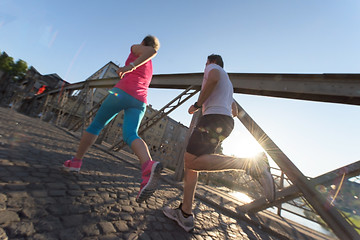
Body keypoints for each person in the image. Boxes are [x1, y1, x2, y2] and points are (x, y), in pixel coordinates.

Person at [163, 54, 275, 232]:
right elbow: (235, 111)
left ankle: (250, 164)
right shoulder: (228, 83)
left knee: (191, 161)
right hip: (225, 122)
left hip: (212, 119)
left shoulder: (213, 69)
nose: (204, 66)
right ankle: (185, 214)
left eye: (206, 63)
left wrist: (198, 105)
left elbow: (213, 79)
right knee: (193, 165)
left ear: (211, 62)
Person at [63, 35, 163, 203]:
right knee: (131, 134)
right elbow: (152, 52)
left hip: (121, 93)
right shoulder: (150, 65)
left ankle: (76, 162)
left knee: (97, 124)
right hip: (140, 101)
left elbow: (152, 50)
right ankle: (148, 167)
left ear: (143, 43)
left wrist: (129, 66)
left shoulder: (136, 48)